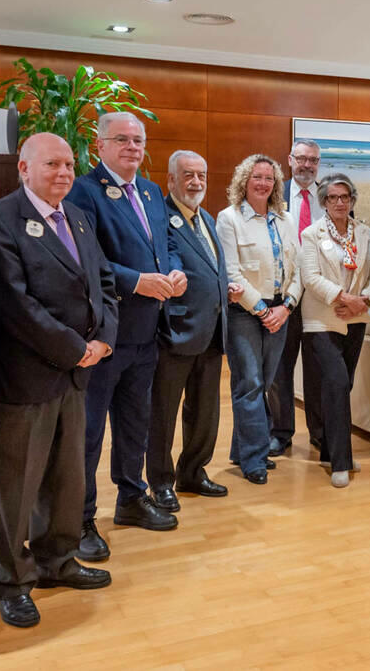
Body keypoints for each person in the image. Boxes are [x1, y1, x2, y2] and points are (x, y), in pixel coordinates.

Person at [0, 133, 119, 628]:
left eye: (69, 164)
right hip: (24, 379)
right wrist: (76, 349)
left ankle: (57, 561)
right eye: (52, 163)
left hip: (76, 376)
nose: (63, 172)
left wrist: (105, 339)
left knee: (66, 477)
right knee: (15, 486)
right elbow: (14, 306)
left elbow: (102, 284)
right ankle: (11, 581)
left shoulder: (76, 217)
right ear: (23, 167)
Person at [66, 111, 186, 562]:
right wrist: (137, 281)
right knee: (91, 431)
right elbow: (84, 259)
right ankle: (79, 518)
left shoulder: (153, 192)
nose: (133, 147)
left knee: (135, 425)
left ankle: (131, 499)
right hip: (105, 334)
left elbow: (166, 242)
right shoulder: (83, 191)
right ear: (100, 146)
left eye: (138, 140)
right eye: (123, 140)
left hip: (148, 330)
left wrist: (172, 269)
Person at [147, 150, 236, 511]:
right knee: (164, 413)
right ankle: (160, 481)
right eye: (188, 175)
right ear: (170, 180)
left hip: (212, 331)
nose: (196, 182)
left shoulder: (207, 219)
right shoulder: (161, 218)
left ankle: (193, 471)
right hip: (176, 331)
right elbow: (172, 263)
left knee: (205, 411)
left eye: (201, 175)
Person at [216, 154, 301, 484]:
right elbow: (232, 272)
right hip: (245, 313)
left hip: (281, 311)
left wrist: (287, 307)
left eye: (269, 178)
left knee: (262, 384)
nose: (263, 183)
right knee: (249, 383)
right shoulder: (229, 218)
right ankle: (254, 457)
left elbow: (297, 270)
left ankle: (243, 449)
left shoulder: (286, 219)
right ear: (244, 181)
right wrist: (263, 311)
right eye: (257, 177)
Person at [298, 174, 370, 487]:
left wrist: (363, 301)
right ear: (324, 202)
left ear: (352, 199)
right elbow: (310, 277)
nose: (339, 202)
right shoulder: (311, 234)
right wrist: (343, 298)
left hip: (355, 319)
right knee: (334, 382)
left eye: (345, 197)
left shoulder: (364, 232)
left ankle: (331, 453)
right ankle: (341, 462)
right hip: (322, 318)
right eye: (333, 197)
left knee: (342, 386)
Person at [268, 138, 324, 457]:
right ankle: (281, 432)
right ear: (290, 159)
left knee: (317, 369)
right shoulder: (274, 196)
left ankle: (319, 432)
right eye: (301, 158)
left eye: (313, 160)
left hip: (318, 298)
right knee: (279, 369)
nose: (307, 165)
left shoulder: (329, 196)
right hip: (283, 298)